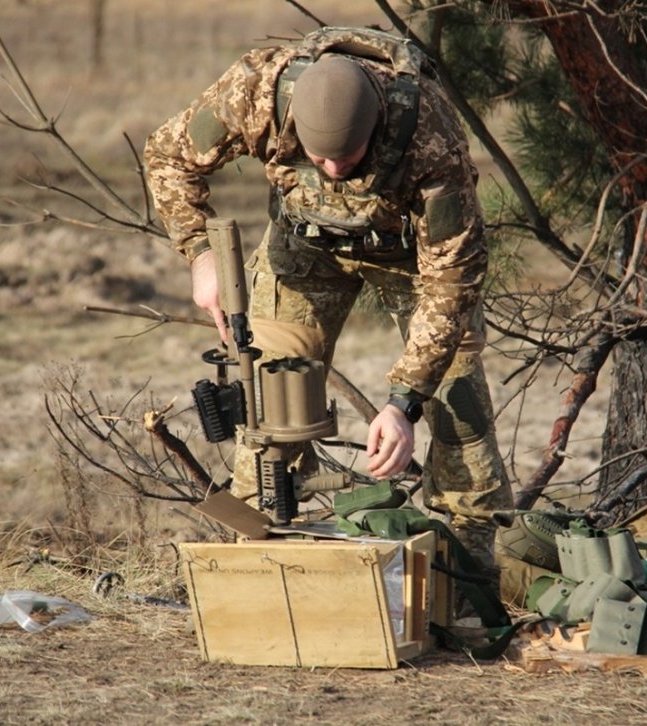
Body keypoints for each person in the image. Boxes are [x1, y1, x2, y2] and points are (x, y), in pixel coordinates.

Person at [143, 27, 512, 571]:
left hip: (411, 255)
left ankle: (469, 564)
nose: (335, 170)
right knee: (272, 389)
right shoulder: (255, 93)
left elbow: (453, 279)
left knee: (456, 391)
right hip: (303, 241)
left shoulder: (429, 137)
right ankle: (258, 555)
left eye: (350, 157)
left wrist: (404, 401)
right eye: (320, 158)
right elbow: (166, 156)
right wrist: (201, 254)